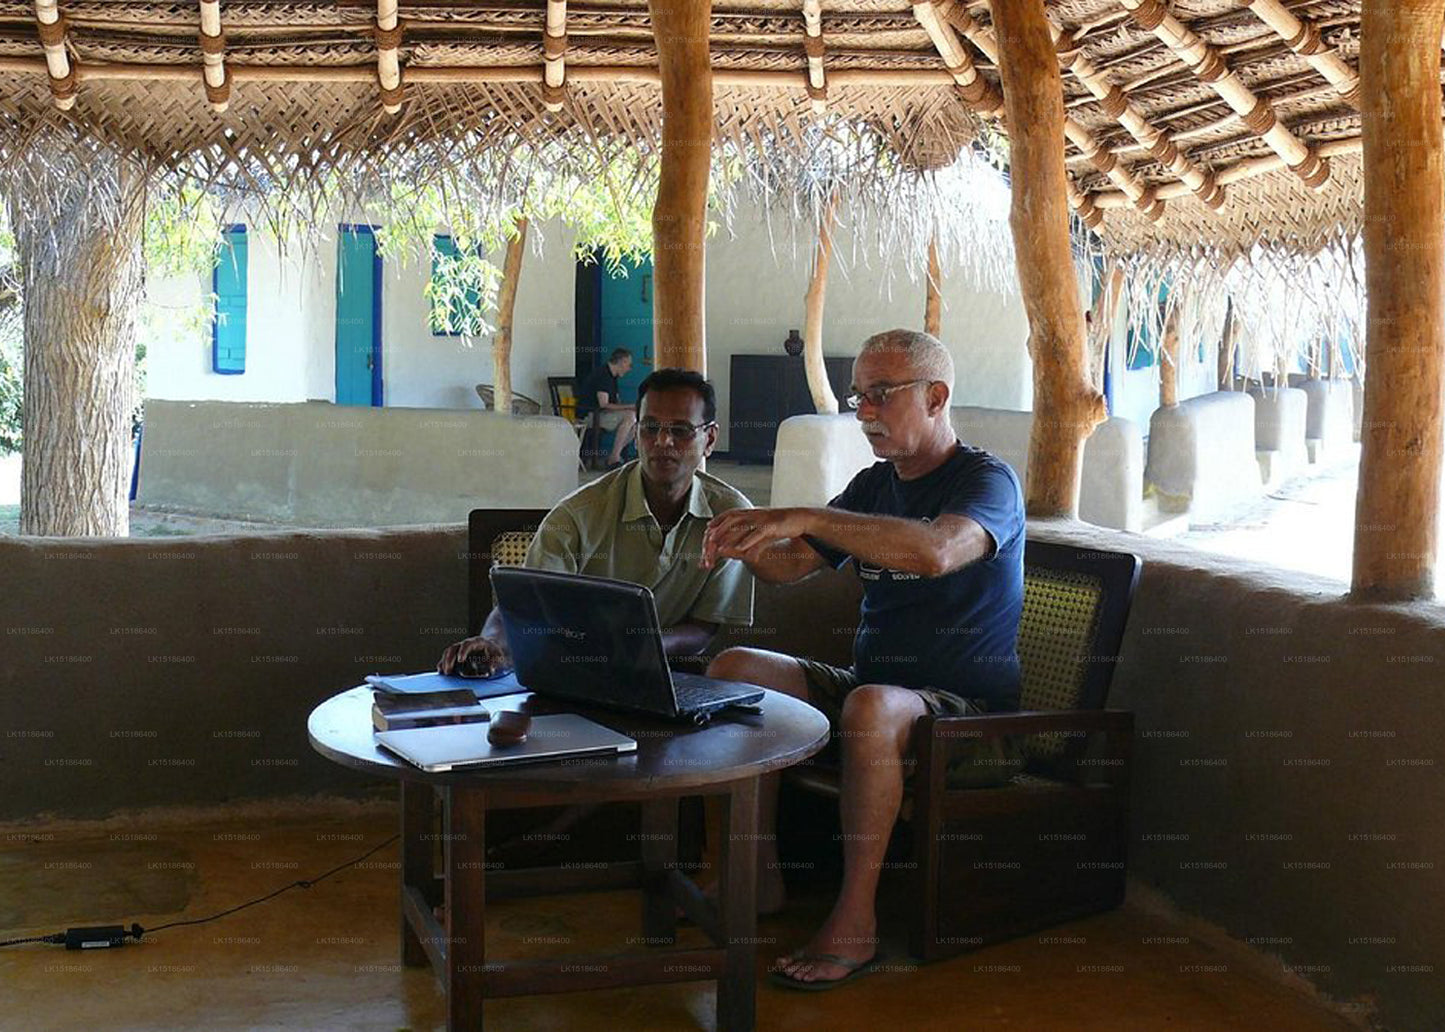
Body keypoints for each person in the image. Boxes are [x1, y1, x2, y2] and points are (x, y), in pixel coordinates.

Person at [700, 328, 1025, 990]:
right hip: (872, 690)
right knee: (735, 670)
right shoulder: (875, 487)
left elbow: (935, 551)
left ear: (935, 396)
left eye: (880, 394)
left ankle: (854, 921)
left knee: (870, 706)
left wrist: (807, 515)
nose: (864, 412)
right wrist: (745, 539)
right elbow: (789, 566)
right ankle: (754, 877)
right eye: (858, 397)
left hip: (969, 718)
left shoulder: (987, 481)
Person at [440, 367, 754, 676]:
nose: (663, 441)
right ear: (635, 434)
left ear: (710, 439)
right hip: (577, 671)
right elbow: (524, 603)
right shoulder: (578, 515)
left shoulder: (730, 517)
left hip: (676, 676)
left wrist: (643, 646)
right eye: (650, 427)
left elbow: (704, 627)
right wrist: (492, 643)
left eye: (681, 430)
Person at [576, 347, 639, 469]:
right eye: (629, 365)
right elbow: (603, 404)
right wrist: (631, 406)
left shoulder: (612, 377)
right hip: (590, 416)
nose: (629, 369)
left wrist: (629, 408)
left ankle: (614, 455)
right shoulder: (603, 375)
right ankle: (614, 458)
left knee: (635, 421)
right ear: (622, 362)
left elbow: (614, 403)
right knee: (630, 416)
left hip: (601, 414)